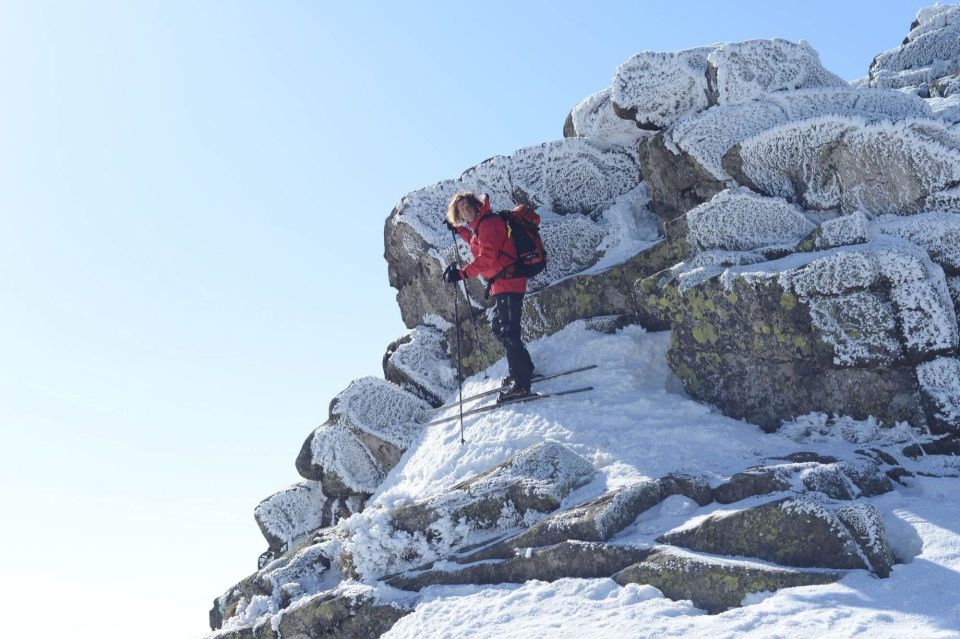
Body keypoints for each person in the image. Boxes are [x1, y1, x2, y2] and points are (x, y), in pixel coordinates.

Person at [442, 191, 535, 402]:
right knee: (500, 328)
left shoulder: (489, 223)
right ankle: (523, 368)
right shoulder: (479, 227)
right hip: (502, 284)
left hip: (509, 282)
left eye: (466, 205)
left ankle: (522, 384)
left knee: (509, 332)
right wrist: (458, 230)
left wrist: (461, 273)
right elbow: (476, 241)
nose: (464, 210)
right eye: (460, 210)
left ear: (475, 205)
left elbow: (488, 258)